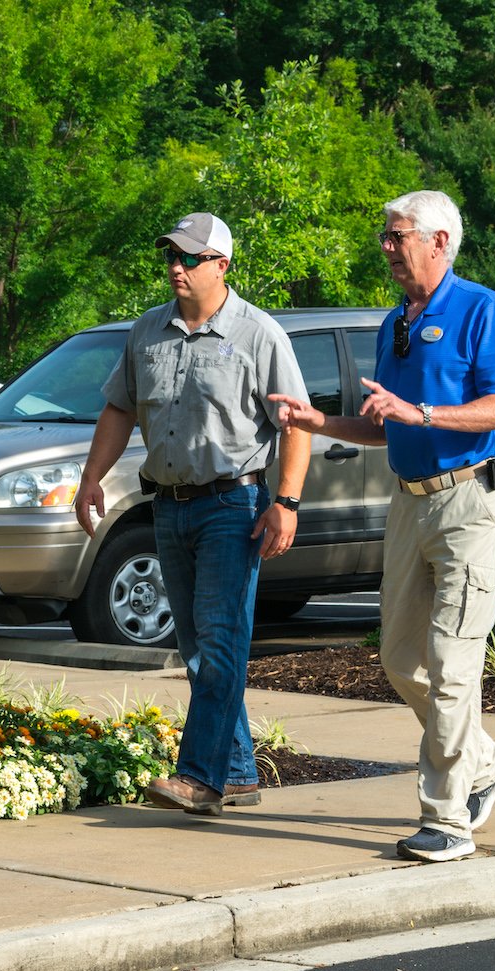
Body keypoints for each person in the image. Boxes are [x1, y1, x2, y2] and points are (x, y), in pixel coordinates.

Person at [270, 190, 495, 862]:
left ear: (440, 241)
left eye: (398, 235)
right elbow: (383, 424)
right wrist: (315, 421)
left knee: (449, 662)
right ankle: (487, 761)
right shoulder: (395, 323)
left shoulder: (481, 309)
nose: (386, 246)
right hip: (409, 504)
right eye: (385, 235)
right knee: (399, 657)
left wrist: (426, 415)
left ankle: (446, 818)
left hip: (471, 502)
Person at [76, 212, 312, 817]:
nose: (177, 268)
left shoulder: (260, 335)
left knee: (222, 640)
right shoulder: (148, 332)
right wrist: (89, 480)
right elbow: (118, 411)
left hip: (235, 506)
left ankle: (200, 777)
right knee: (201, 651)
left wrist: (285, 503)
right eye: (171, 258)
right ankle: (237, 772)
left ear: (222, 264)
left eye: (190, 257)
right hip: (169, 505)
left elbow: (296, 428)